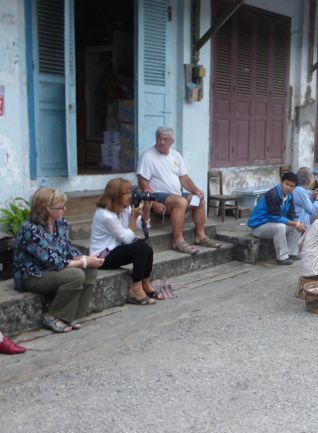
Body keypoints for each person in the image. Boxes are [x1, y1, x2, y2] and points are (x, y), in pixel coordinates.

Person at [13, 188, 104, 333]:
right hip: (32, 275)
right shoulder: (30, 230)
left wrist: (85, 258)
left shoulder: (60, 223)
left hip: (53, 269)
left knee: (90, 271)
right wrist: (84, 262)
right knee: (76, 275)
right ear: (46, 209)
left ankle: (71, 315)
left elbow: (67, 248)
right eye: (61, 207)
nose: (65, 209)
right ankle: (53, 315)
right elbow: (52, 262)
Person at [137, 126, 221, 255]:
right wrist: (152, 202)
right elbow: (142, 181)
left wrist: (196, 190)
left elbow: (184, 178)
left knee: (198, 200)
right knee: (181, 202)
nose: (161, 142)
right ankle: (178, 241)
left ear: (172, 141)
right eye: (159, 138)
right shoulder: (148, 156)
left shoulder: (176, 155)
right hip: (159, 196)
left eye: (165, 139)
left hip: (177, 194)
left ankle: (200, 236)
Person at [90, 178, 162, 306]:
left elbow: (142, 226)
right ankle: (136, 289)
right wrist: (133, 217)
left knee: (147, 249)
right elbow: (126, 238)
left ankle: (145, 284)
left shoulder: (125, 208)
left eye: (130, 192)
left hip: (117, 249)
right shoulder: (105, 215)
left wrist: (146, 209)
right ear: (116, 195)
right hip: (102, 257)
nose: (130, 196)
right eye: (126, 193)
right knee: (140, 248)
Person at [248, 171, 305, 265]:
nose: (288, 187)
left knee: (295, 226)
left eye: (292, 186)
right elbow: (274, 217)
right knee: (280, 227)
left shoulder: (290, 196)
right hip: (259, 226)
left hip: (271, 225)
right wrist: (295, 223)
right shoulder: (273, 194)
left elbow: (292, 215)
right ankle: (282, 258)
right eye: (286, 184)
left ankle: (292, 253)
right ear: (281, 182)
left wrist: (298, 224)